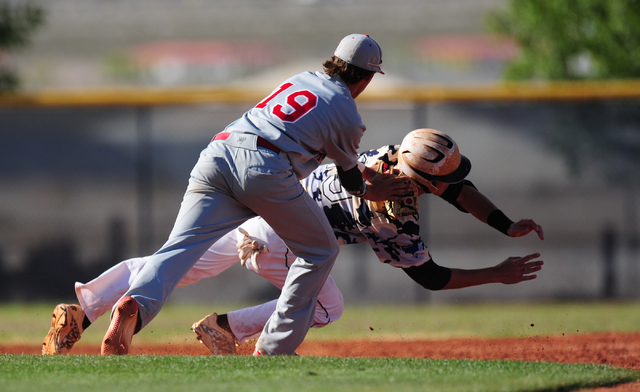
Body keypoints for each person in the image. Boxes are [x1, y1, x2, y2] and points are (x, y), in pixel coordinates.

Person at [42, 128, 544, 356]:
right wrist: (496, 273)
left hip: (264, 211)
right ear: (424, 181)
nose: (453, 183)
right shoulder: (397, 218)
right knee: (327, 309)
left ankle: (82, 310)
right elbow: (429, 277)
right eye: (443, 178)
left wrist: (503, 223)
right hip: (287, 241)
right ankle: (225, 329)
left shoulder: (392, 155)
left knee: (170, 265)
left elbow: (458, 190)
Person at [99, 33, 412, 357]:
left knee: (179, 248)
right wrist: (369, 189)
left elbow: (329, 150)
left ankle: (134, 303)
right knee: (320, 251)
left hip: (219, 153)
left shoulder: (302, 79)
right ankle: (275, 346)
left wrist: (367, 176)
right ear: (367, 76)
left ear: (337, 62)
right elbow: (349, 176)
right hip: (264, 168)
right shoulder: (347, 112)